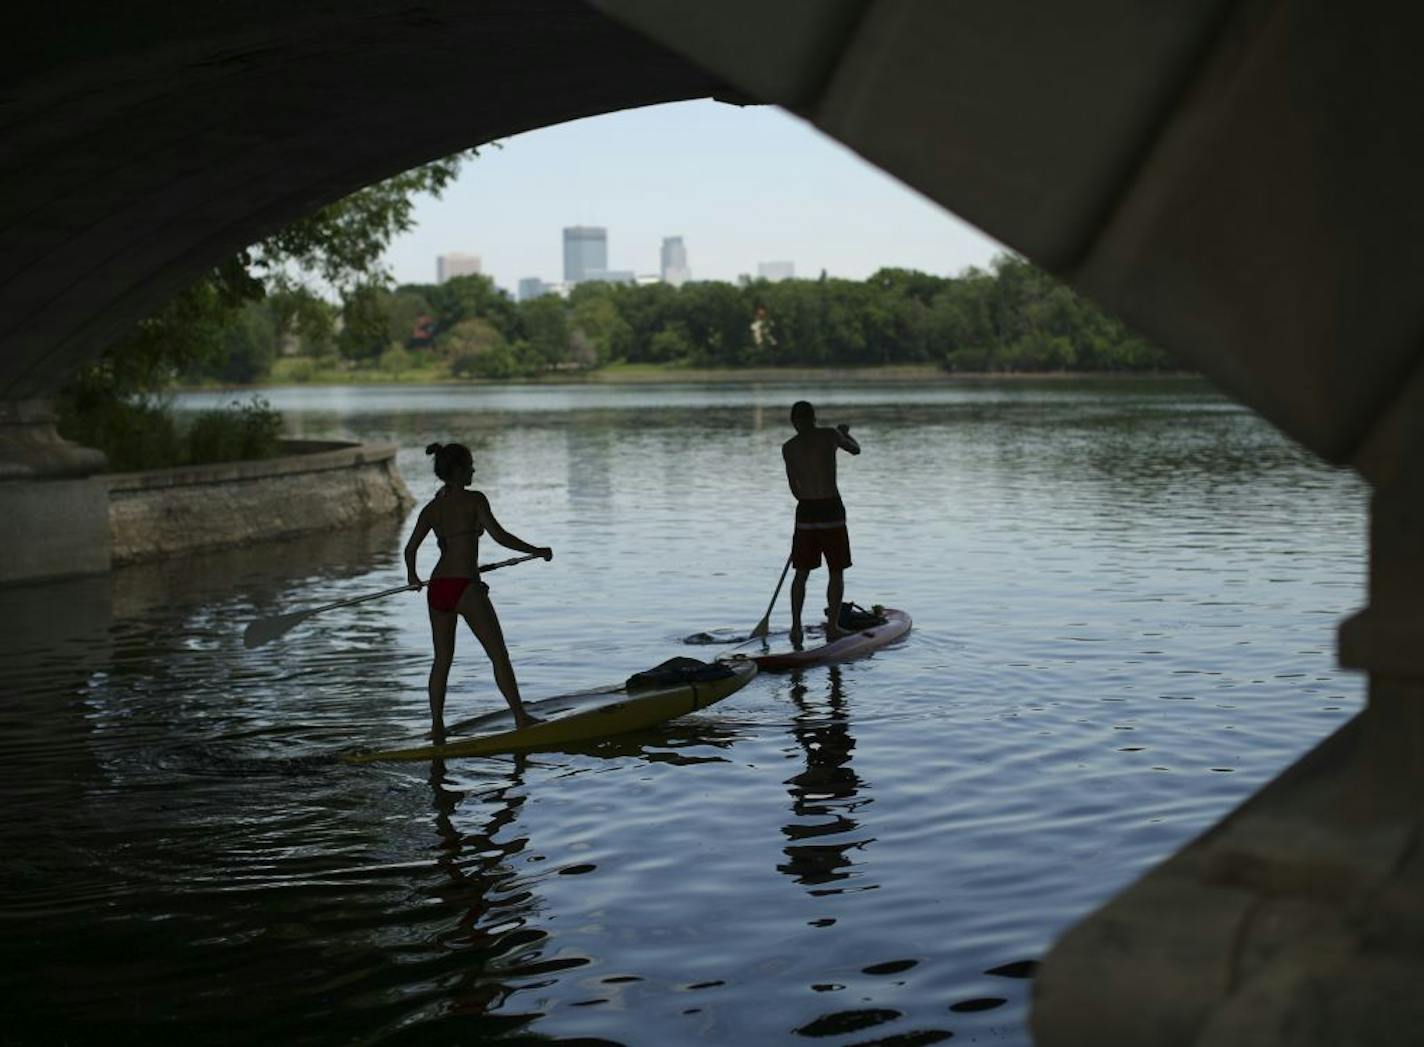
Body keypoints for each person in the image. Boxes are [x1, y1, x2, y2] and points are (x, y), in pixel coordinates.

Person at [404, 442, 552, 739]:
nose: (474, 469)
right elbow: (500, 536)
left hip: (438, 589)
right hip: (465, 589)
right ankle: (520, 717)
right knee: (499, 655)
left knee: (441, 661)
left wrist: (413, 577)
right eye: (470, 465)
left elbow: (410, 549)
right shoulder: (475, 500)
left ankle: (436, 727)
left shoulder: (432, 508)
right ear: (459, 470)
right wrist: (535, 550)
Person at [782, 400, 861, 645]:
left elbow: (794, 488)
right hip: (830, 509)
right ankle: (834, 627)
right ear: (813, 417)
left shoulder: (788, 447)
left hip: (805, 510)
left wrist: (807, 504)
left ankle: (796, 629)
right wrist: (845, 434)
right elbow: (855, 449)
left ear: (794, 421)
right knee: (835, 570)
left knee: (801, 573)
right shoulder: (829, 435)